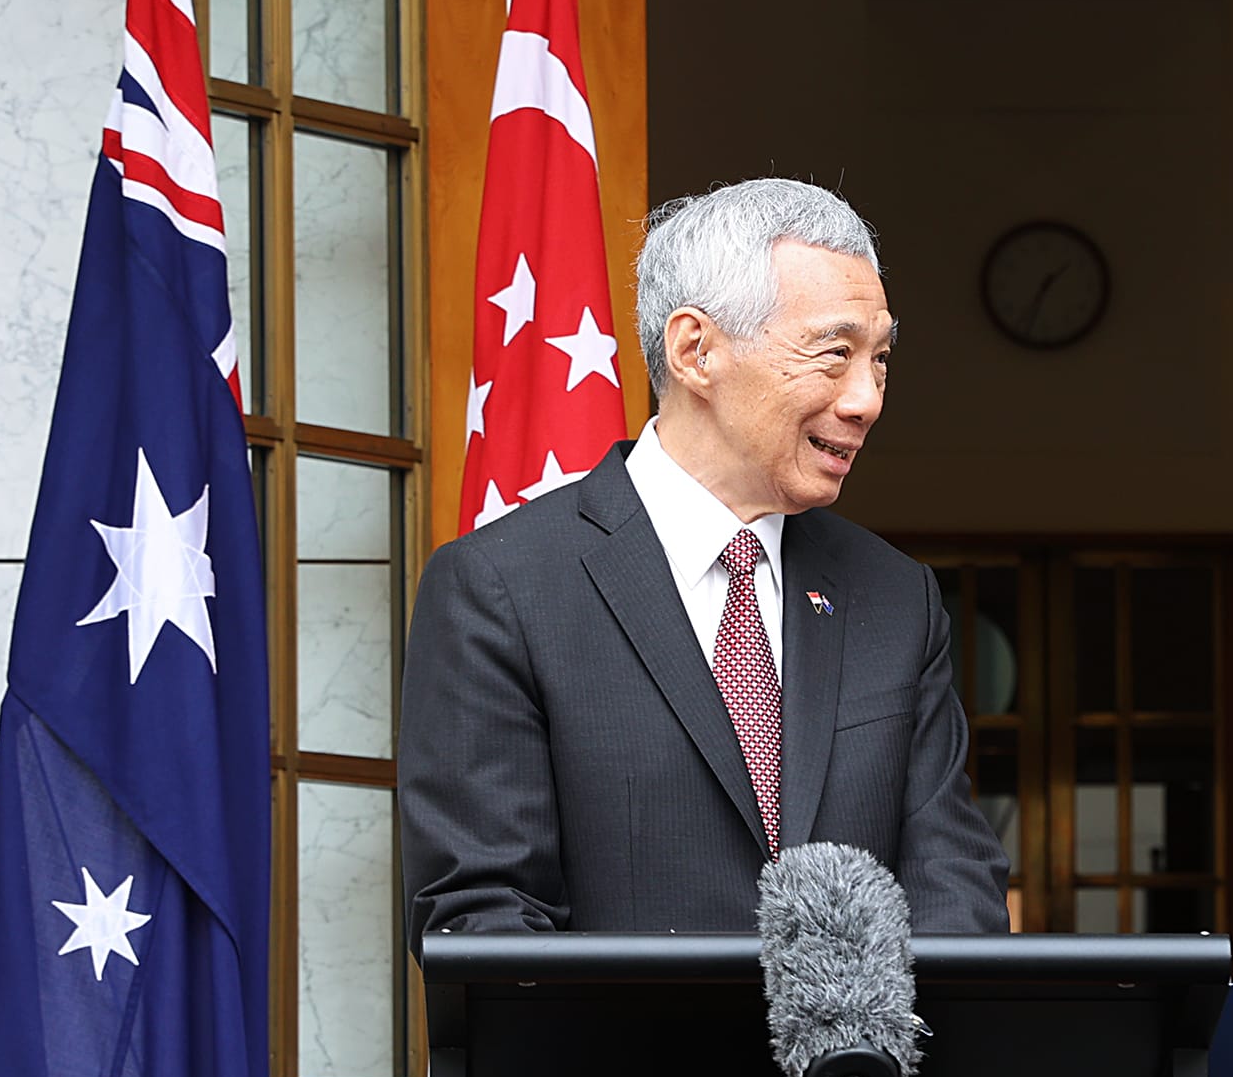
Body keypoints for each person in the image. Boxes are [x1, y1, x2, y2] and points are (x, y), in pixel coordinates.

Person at [399, 178, 1009, 943]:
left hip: (861, 1064)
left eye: (880, 358)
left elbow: (954, 892)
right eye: (835, 353)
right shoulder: (505, 590)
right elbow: (482, 918)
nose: (867, 399)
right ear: (696, 351)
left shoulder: (895, 598)